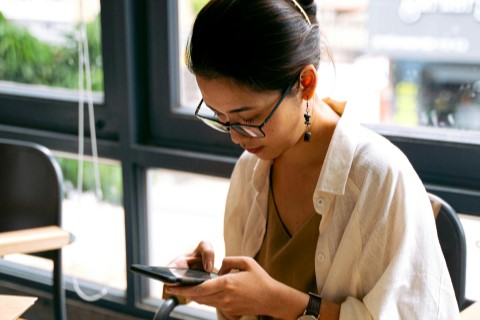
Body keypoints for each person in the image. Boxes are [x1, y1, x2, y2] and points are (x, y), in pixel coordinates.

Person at [164, 0, 460, 319]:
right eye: (219, 117)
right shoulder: (250, 171)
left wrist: (279, 301)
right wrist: (212, 286)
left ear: (306, 83)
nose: (235, 136)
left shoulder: (379, 178)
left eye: (248, 117)